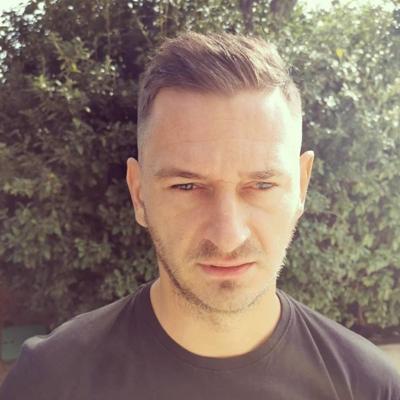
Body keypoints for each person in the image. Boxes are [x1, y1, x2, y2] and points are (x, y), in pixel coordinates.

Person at [1, 32, 399, 400]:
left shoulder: (370, 388)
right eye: (187, 186)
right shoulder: (50, 382)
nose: (228, 236)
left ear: (301, 186)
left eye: (262, 185)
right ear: (139, 194)